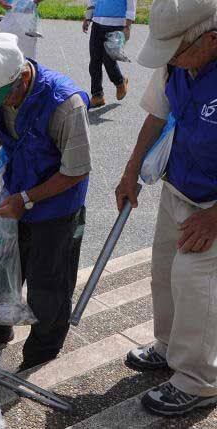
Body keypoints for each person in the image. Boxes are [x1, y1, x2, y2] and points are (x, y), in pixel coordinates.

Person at [0, 33, 92, 372]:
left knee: (48, 281)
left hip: (57, 204)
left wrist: (27, 200)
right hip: (14, 195)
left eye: (2, 97)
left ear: (23, 79)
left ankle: (42, 350)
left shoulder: (65, 102)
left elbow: (75, 171)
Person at [115, 0, 217, 416]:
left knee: (195, 284)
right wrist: (129, 171)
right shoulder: (176, 63)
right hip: (179, 186)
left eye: (175, 51)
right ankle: (169, 346)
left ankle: (199, 379)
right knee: (163, 271)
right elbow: (157, 117)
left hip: (212, 205)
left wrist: (214, 217)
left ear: (211, 39)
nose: (170, 60)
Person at [82, 0, 135, 107]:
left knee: (109, 61)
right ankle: (97, 95)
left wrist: (127, 26)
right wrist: (88, 18)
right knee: (94, 62)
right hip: (97, 24)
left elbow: (131, 4)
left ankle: (120, 82)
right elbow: (93, 1)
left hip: (116, 25)